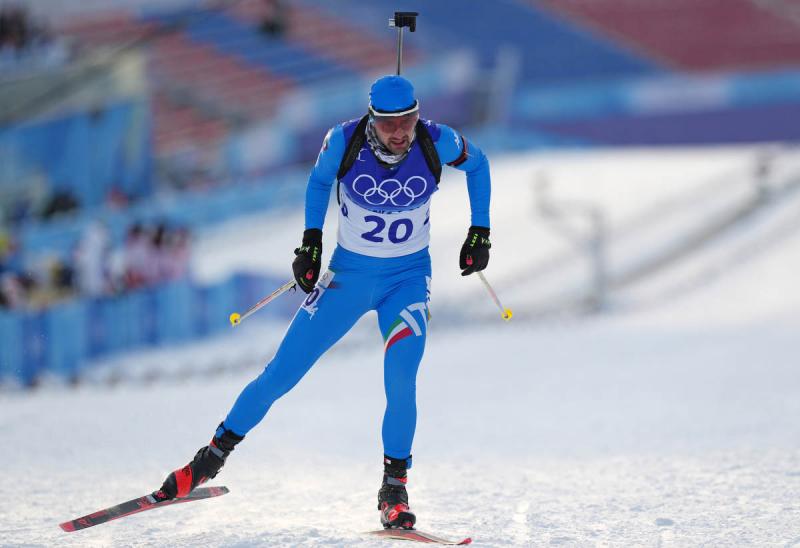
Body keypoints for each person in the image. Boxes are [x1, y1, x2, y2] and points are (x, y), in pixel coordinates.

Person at [154, 75, 493, 530]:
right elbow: (317, 183)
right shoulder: (343, 140)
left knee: (401, 378)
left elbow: (480, 164)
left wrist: (480, 231)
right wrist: (310, 245)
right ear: (373, 119)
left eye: (408, 120)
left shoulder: (437, 140)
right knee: (281, 373)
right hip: (348, 277)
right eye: (390, 122)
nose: (401, 131)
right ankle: (208, 460)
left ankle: (394, 490)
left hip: (406, 281)